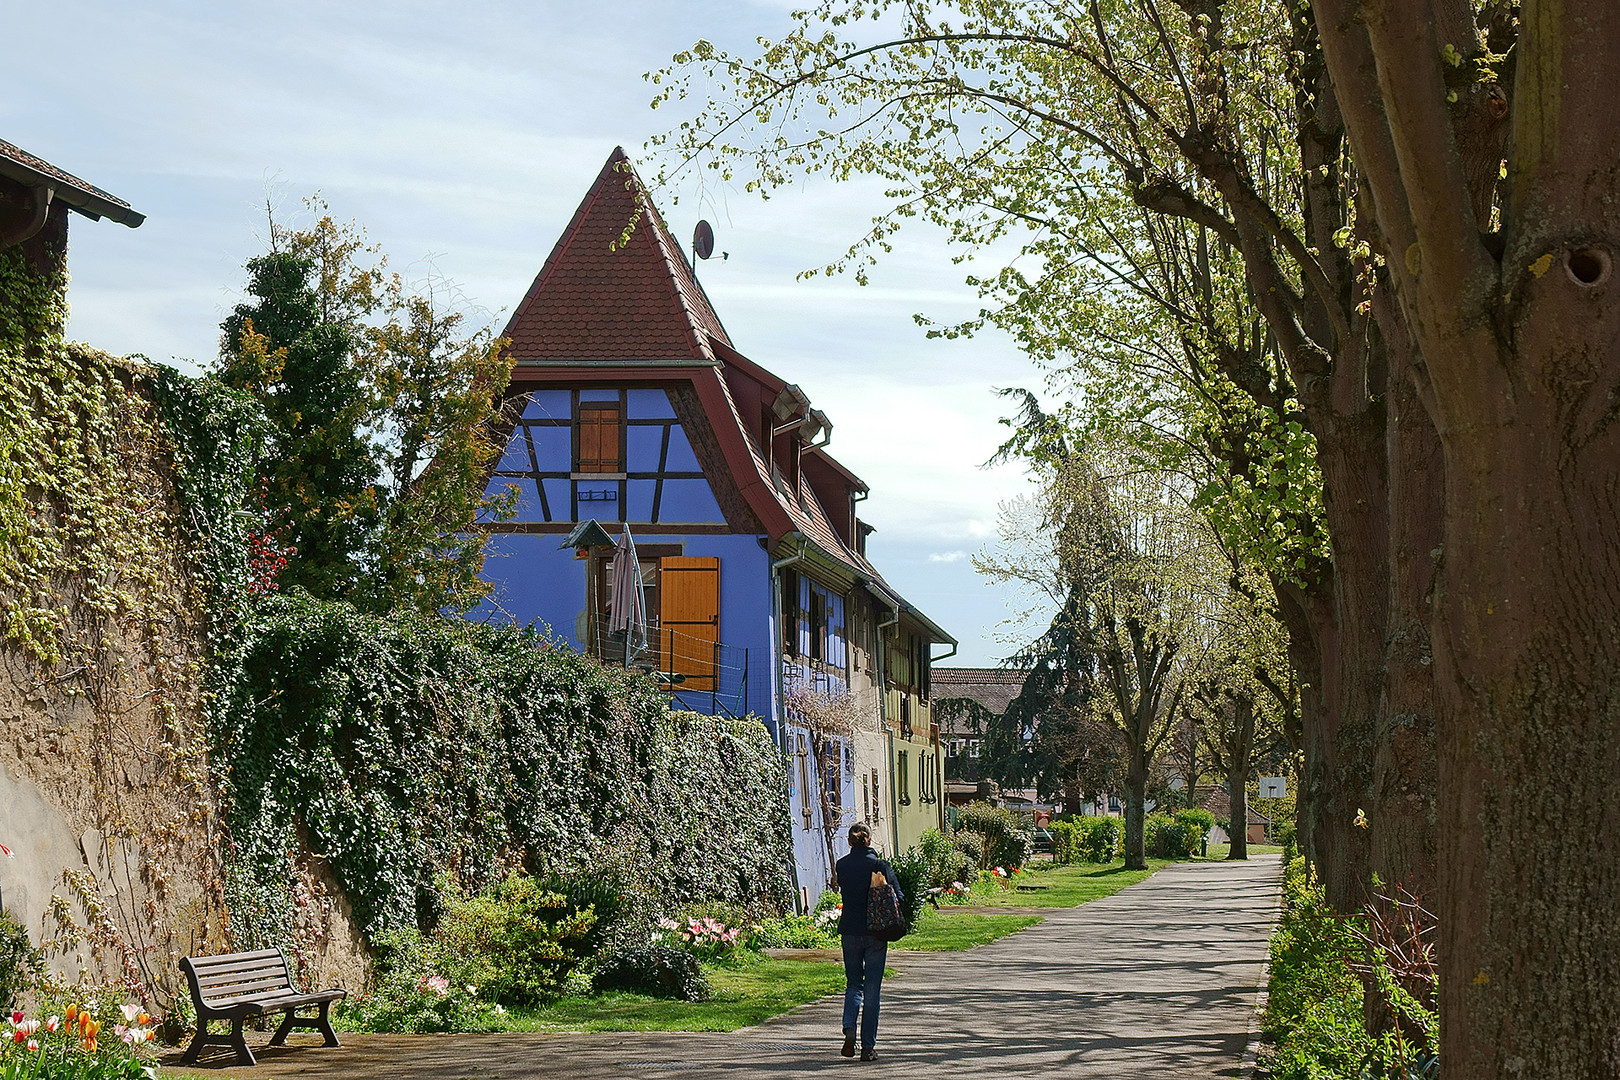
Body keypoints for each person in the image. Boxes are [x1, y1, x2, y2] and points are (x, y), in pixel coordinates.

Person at [833, 822, 902, 1062]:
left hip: (850, 931)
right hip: (876, 933)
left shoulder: (842, 865)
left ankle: (849, 1029)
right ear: (869, 840)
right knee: (872, 991)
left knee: (854, 984)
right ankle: (868, 1047)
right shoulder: (879, 865)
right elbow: (898, 895)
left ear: (850, 842)